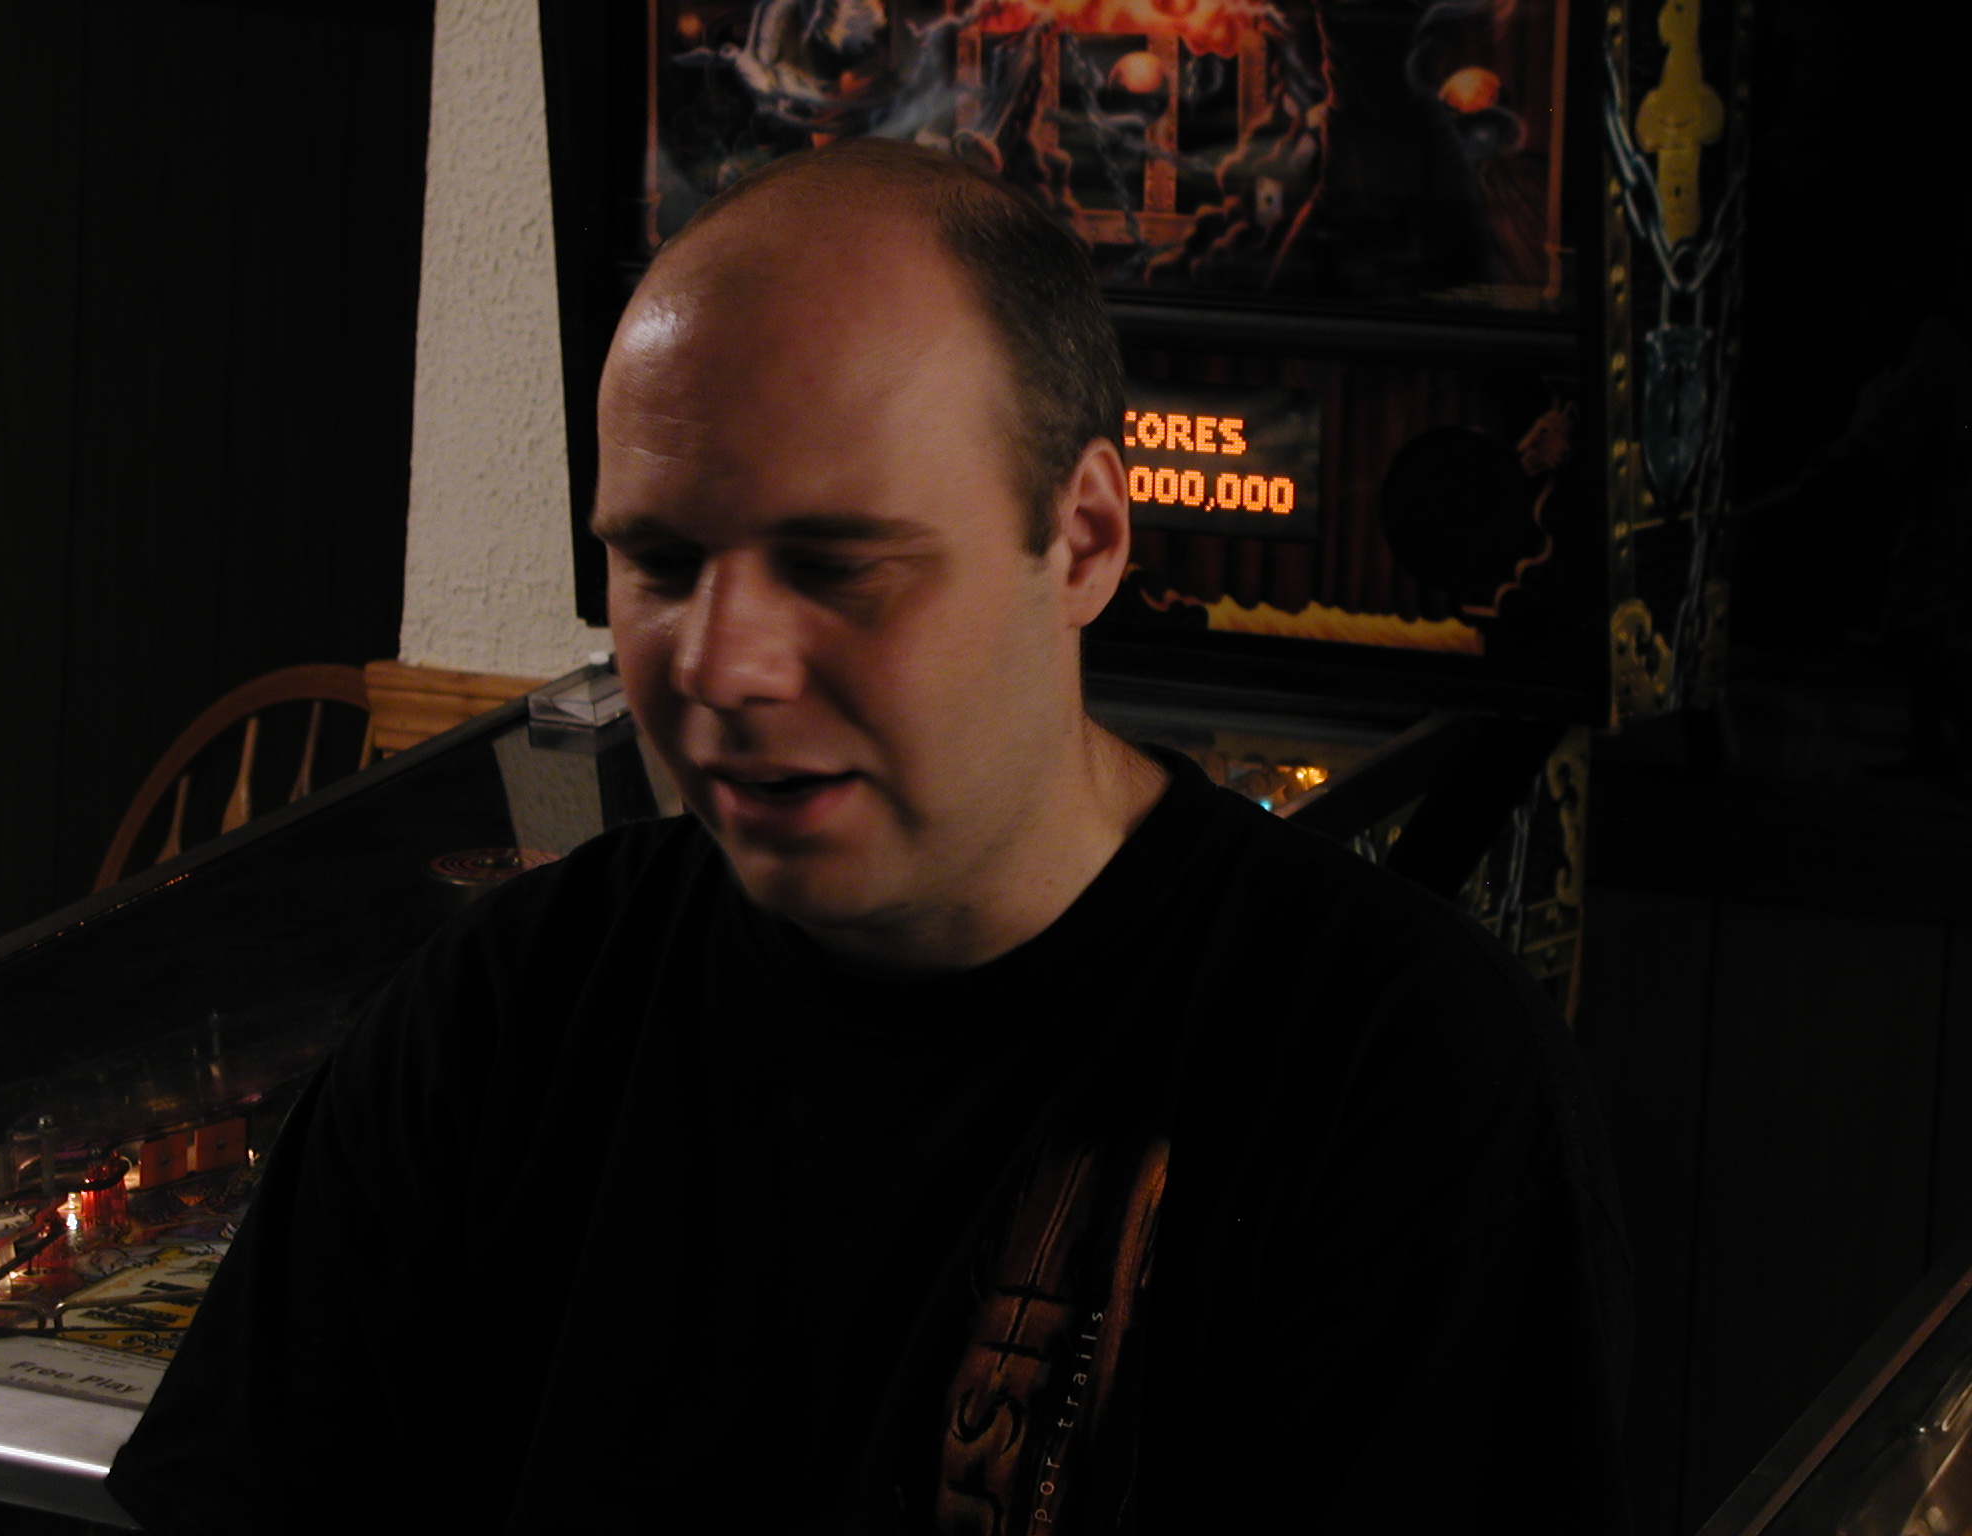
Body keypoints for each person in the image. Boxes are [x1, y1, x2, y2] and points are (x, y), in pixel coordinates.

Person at [105, 139, 1631, 1534]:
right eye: (661, 563)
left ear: (1084, 541)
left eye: (838, 566)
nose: (723, 665)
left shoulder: (1396, 1076)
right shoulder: (513, 1011)